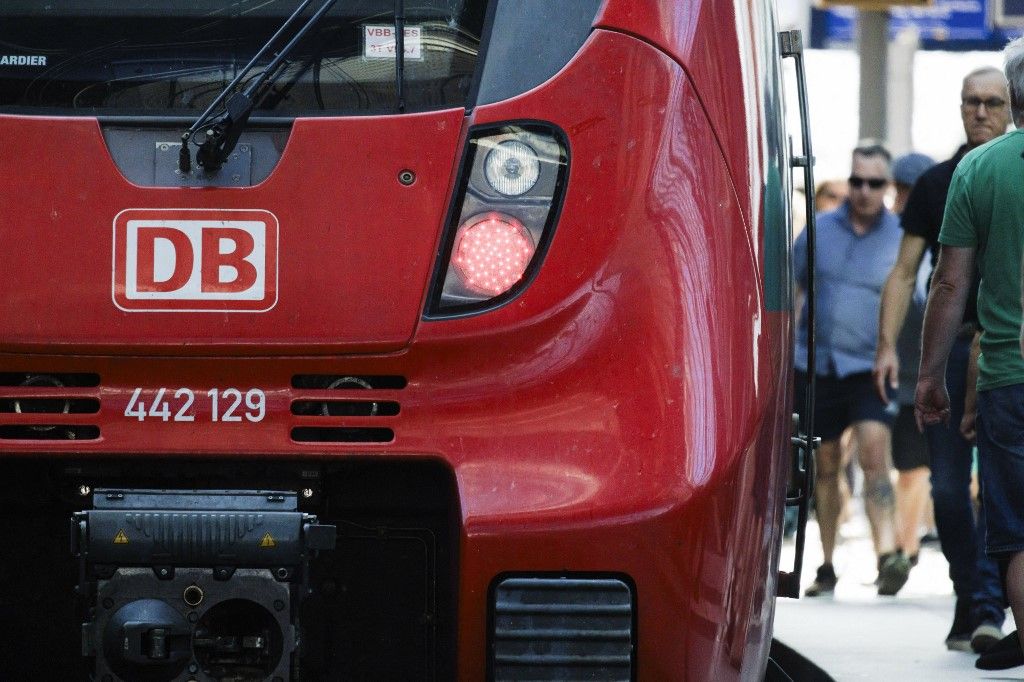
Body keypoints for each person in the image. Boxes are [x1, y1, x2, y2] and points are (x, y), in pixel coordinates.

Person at [874, 67, 1010, 652]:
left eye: (992, 102)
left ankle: (988, 602)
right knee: (951, 490)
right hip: (955, 351)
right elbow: (905, 271)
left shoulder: (1015, 171)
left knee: (1004, 489)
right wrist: (887, 346)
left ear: (1013, 107)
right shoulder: (936, 182)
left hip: (1008, 351)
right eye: (970, 102)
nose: (979, 113)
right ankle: (972, 593)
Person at [916, 40, 1024, 671]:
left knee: (1015, 537)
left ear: (1012, 97)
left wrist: (932, 375)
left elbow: (950, 284)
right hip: (1004, 376)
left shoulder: (978, 171)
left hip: (1010, 378)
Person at [794, 142, 906, 597]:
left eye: (874, 183)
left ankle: (888, 554)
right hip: (815, 364)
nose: (863, 190)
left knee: (875, 455)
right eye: (856, 180)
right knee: (825, 465)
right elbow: (794, 287)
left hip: (870, 366)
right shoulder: (820, 230)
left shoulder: (901, 237)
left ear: (888, 187)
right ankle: (826, 563)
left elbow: (916, 296)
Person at [887, 152, 935, 583]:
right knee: (905, 469)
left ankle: (906, 547)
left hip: (930, 375)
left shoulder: (945, 237)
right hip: (891, 374)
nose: (902, 197)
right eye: (898, 188)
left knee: (915, 470)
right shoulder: (890, 237)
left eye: (910, 189)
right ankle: (900, 547)